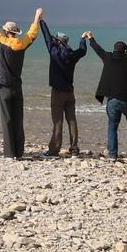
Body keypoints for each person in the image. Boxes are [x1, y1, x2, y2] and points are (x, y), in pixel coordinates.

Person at [0, 1, 42, 158]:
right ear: (15, 33)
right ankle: (19, 153)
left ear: (7, 32)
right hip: (17, 87)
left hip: (4, 87)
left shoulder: (2, 41)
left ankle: (9, 154)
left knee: (7, 120)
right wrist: (37, 17)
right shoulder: (22, 43)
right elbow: (32, 33)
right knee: (18, 120)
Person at [84, 32, 127, 161]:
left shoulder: (108, 57)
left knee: (112, 127)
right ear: (125, 51)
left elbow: (98, 49)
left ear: (114, 50)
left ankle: (113, 155)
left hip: (113, 100)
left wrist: (90, 38)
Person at [40, 17, 86, 157]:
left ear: (59, 41)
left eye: (56, 39)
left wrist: (41, 20)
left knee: (57, 122)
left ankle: (54, 150)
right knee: (72, 121)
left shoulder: (54, 53)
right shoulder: (73, 55)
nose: (53, 40)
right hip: (70, 92)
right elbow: (83, 50)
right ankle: (74, 150)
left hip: (58, 93)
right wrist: (83, 39)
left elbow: (47, 38)